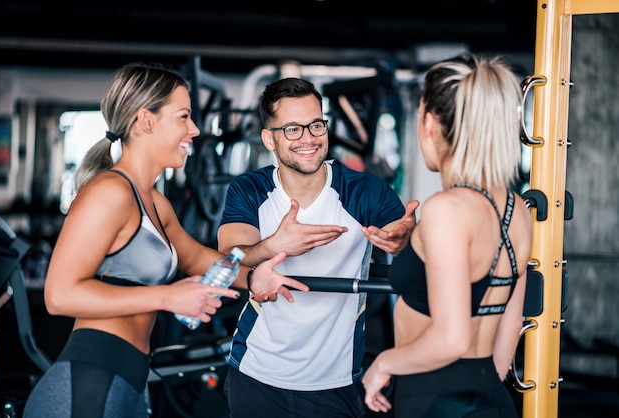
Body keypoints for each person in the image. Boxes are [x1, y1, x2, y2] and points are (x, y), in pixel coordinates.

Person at [22, 63, 301, 418]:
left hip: (129, 379)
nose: (195, 130)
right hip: (89, 381)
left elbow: (200, 259)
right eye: (184, 116)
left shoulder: (154, 201)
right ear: (146, 120)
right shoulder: (109, 192)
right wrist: (169, 296)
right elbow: (59, 296)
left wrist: (257, 274)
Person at [217, 76, 418, 418]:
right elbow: (229, 260)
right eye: (292, 129)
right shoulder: (249, 189)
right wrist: (274, 245)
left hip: (335, 382)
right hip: (256, 373)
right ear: (270, 138)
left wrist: (405, 242)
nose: (308, 138)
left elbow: (414, 253)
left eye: (315, 125)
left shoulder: (366, 191)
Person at [361, 53, 533, 417]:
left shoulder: (445, 209)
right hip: (490, 396)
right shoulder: (516, 208)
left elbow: (452, 338)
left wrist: (384, 364)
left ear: (429, 123)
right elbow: (508, 327)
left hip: (434, 399)